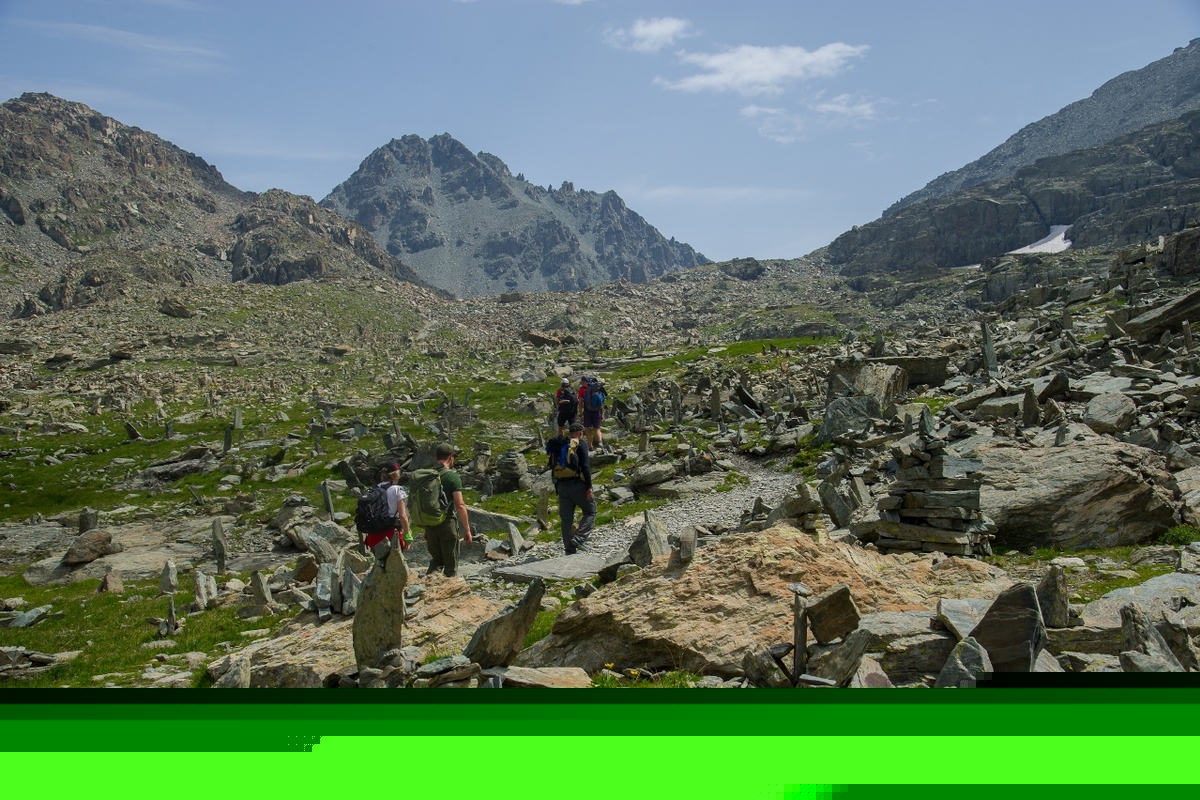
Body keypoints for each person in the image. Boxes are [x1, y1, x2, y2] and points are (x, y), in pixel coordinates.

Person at [420, 442, 473, 577]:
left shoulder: (427, 476)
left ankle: (428, 589)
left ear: (436, 457)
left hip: (430, 525)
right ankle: (449, 592)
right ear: (450, 457)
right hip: (447, 524)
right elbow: (459, 504)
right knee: (450, 565)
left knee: (436, 561)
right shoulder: (451, 477)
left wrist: (426, 528)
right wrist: (467, 529)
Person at [545, 421, 595, 555]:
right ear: (580, 433)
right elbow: (585, 466)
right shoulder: (580, 444)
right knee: (590, 511)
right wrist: (589, 486)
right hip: (577, 485)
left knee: (566, 519)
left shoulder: (560, 444)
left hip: (561, 485)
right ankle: (579, 538)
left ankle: (569, 549)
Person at [364, 461, 412, 552]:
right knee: (395, 563)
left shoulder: (374, 489)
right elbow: (403, 516)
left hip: (373, 535)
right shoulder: (398, 490)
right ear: (397, 474)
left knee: (379, 563)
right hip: (391, 533)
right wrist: (407, 536)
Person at [577, 376, 605, 451]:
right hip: (597, 411)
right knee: (597, 428)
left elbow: (580, 403)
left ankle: (590, 446)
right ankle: (600, 443)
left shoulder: (582, 390)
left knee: (587, 428)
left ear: (583, 382)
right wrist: (602, 414)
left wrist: (580, 414)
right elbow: (602, 403)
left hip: (587, 411)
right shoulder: (598, 388)